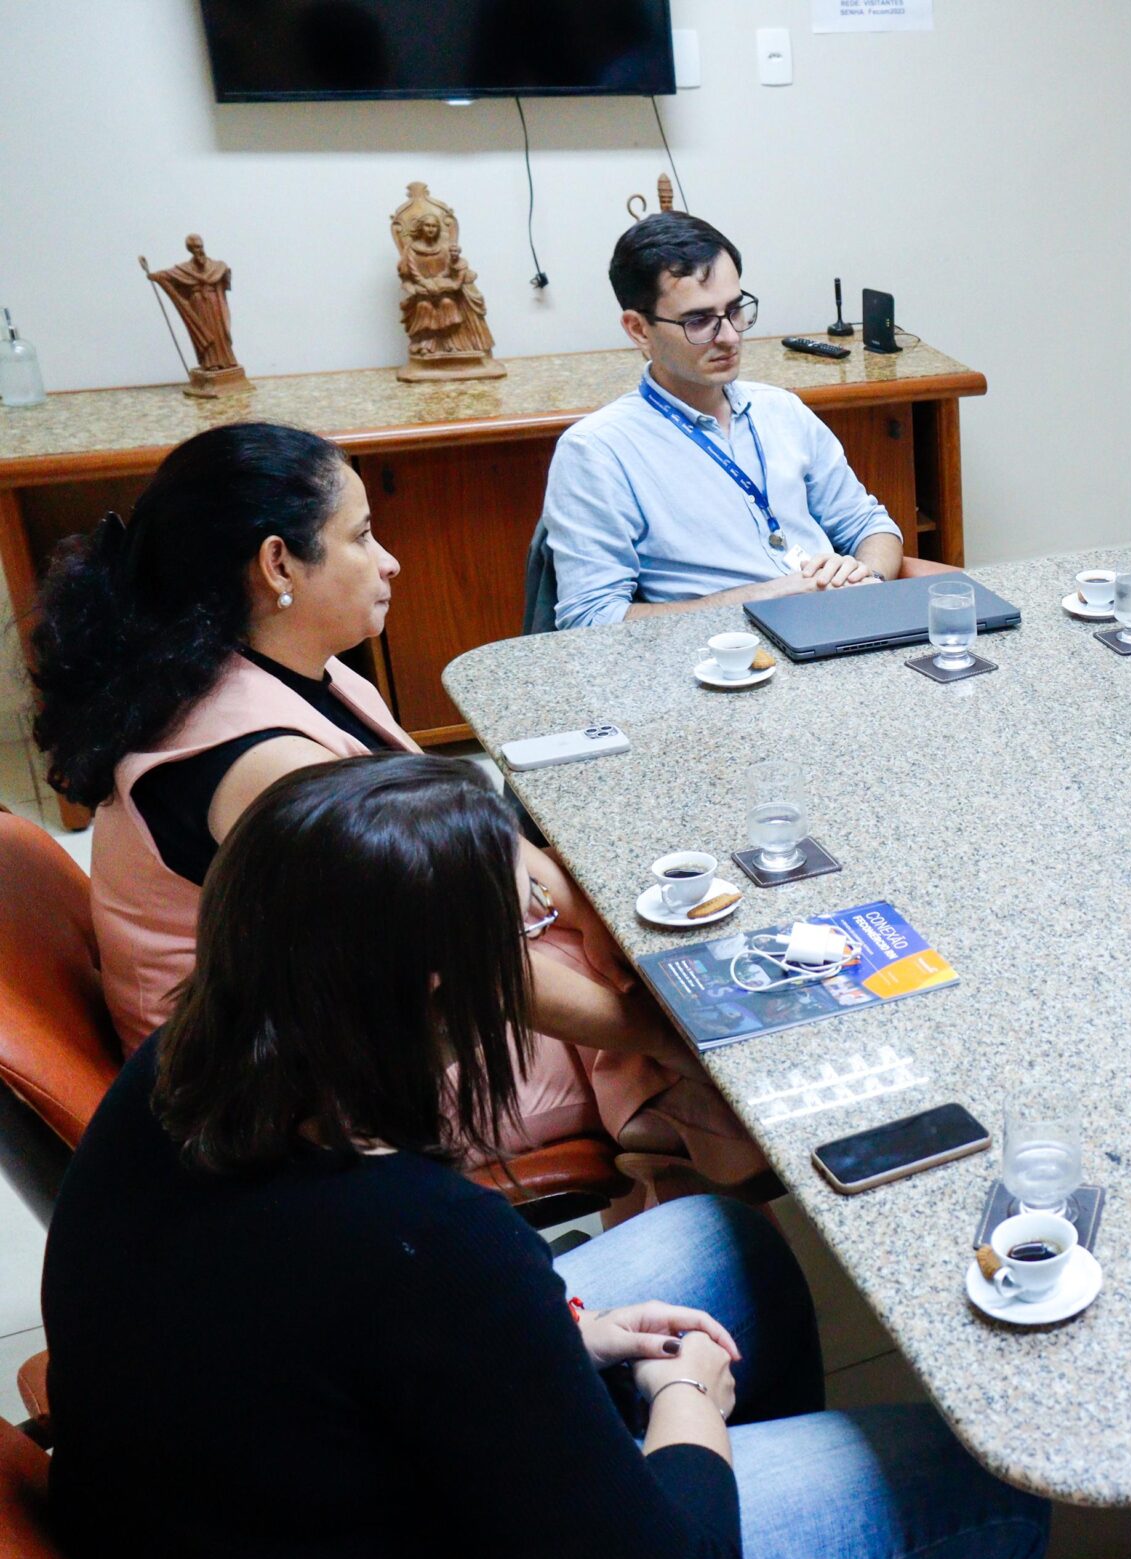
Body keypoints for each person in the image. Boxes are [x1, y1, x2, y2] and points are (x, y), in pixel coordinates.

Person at [40, 754, 1050, 1559]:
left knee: (730, 1243)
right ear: (441, 987)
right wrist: (687, 1406)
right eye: (516, 938)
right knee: (992, 1496)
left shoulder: (175, 1074)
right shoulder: (423, 1240)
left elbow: (324, 1334)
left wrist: (573, 1336)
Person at [30, 422, 748, 1175]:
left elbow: (480, 839)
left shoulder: (288, 668)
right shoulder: (264, 767)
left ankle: (681, 1155)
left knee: (643, 948)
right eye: (362, 537)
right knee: (688, 1033)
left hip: (376, 1005)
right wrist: (661, 1032)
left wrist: (588, 917)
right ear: (278, 563)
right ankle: (708, 1178)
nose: (389, 561)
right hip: (307, 1095)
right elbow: (456, 969)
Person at [542, 212, 906, 627]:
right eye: (698, 321)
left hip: (841, 623)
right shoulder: (598, 451)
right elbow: (591, 618)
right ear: (639, 329)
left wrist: (866, 576)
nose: (730, 337)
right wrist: (768, 598)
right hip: (721, 653)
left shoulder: (781, 410)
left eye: (735, 310)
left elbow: (870, 525)